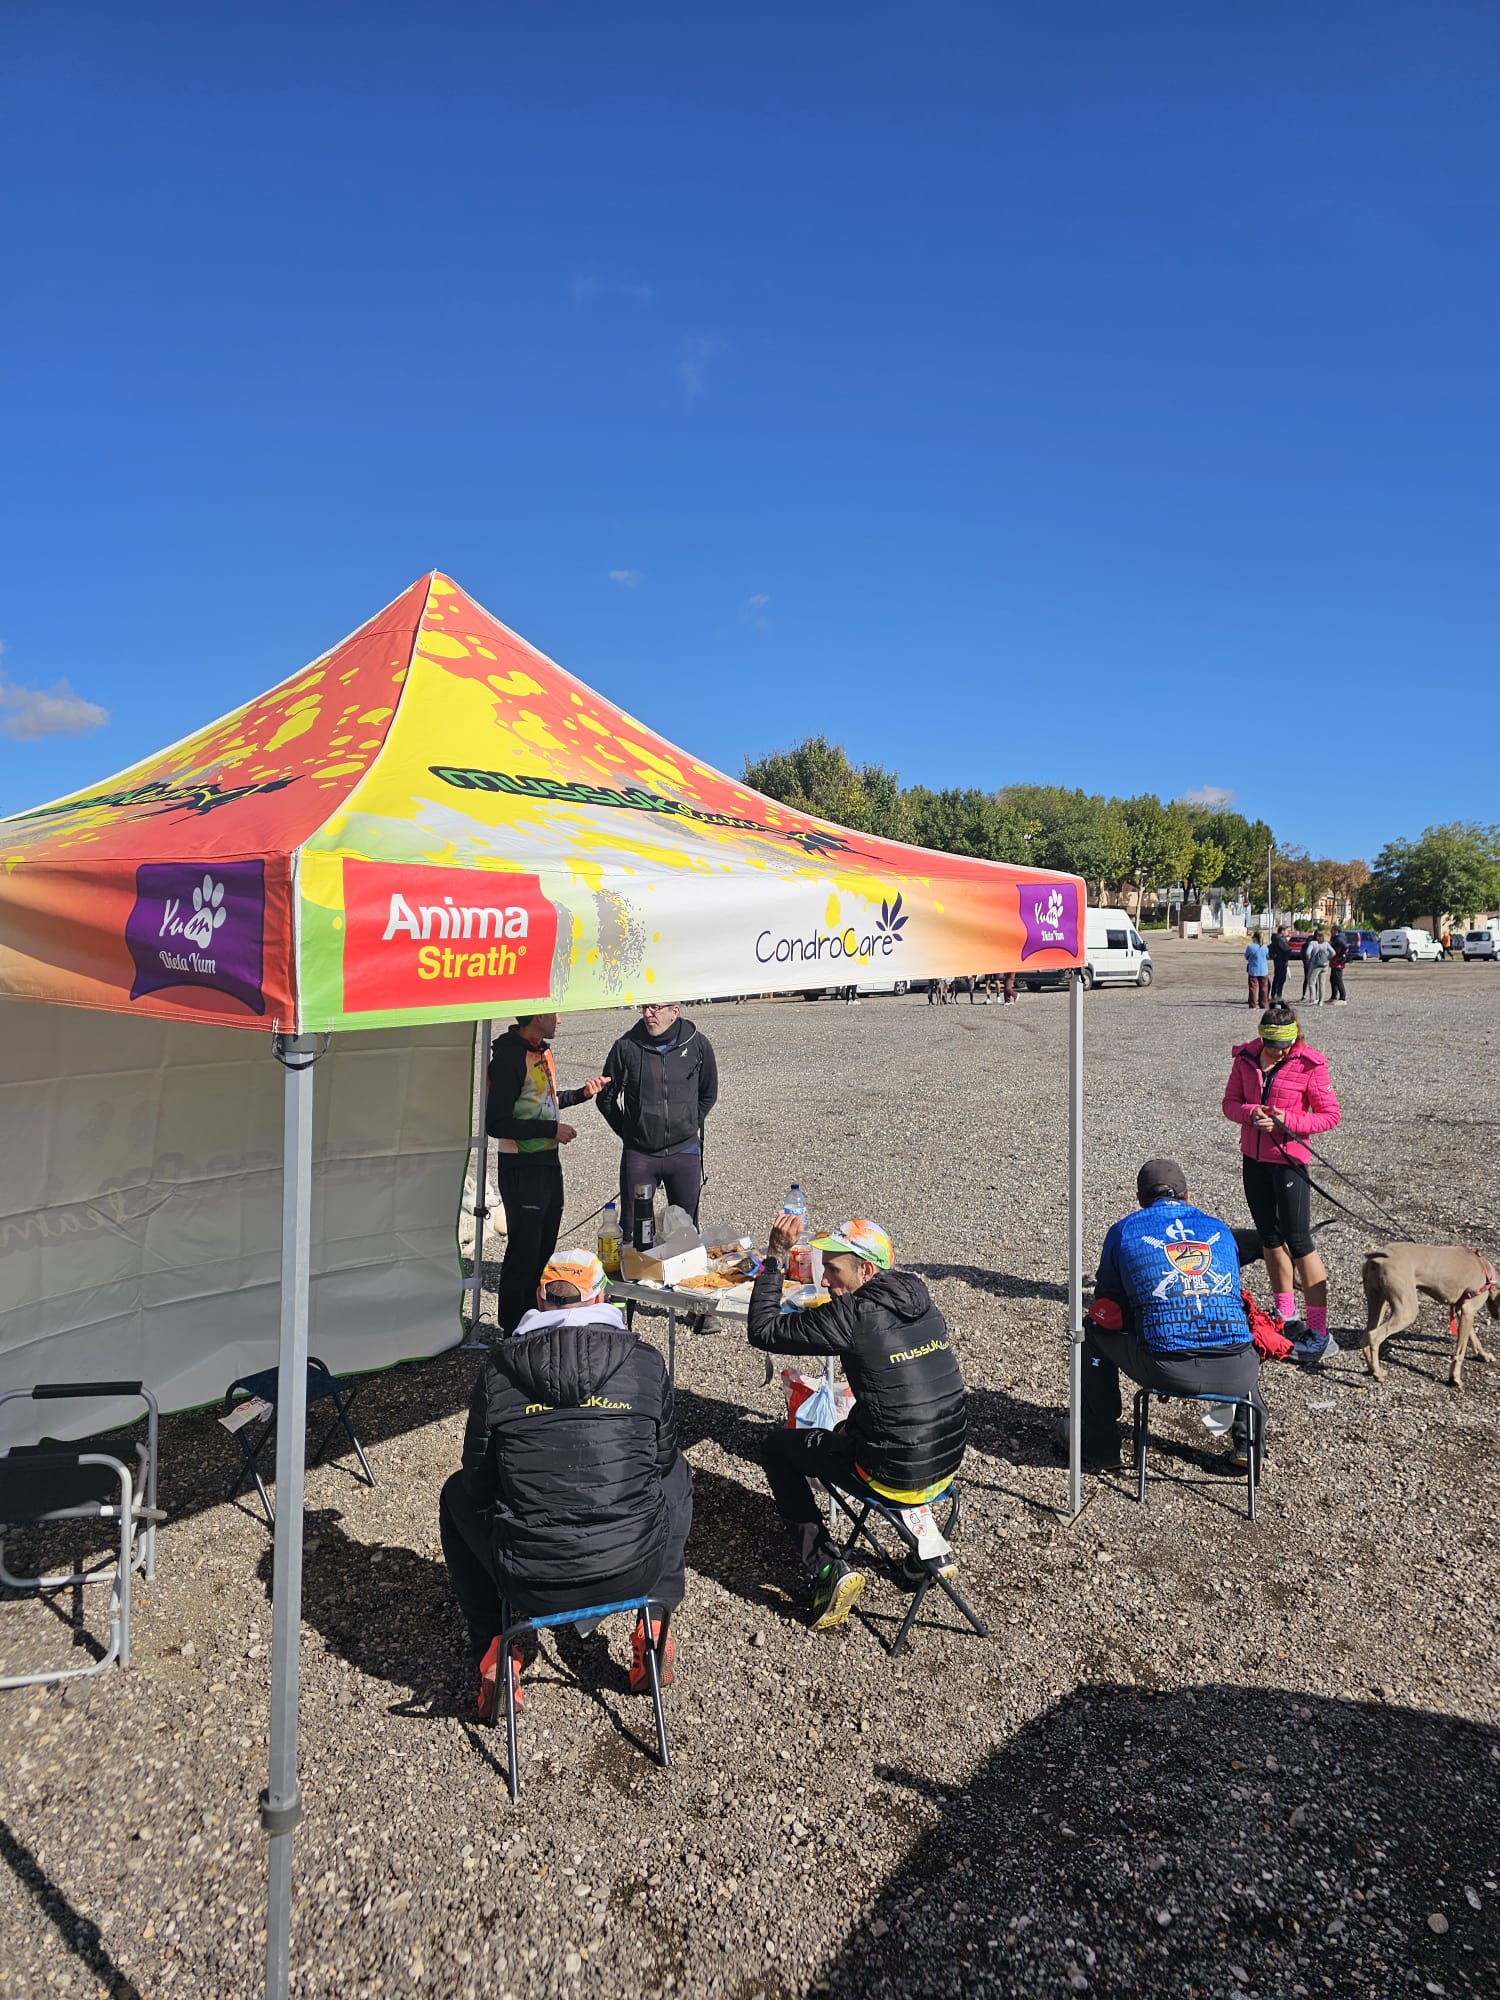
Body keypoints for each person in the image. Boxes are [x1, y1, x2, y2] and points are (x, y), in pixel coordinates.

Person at [439, 1250, 693, 1719]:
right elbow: (661, 1461)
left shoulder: (499, 1370)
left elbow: (477, 1482)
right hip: (636, 1568)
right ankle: (655, 1624)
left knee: (455, 1495)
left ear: (541, 1297)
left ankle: (496, 1651)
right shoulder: (645, 1362)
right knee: (677, 1472)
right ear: (601, 1299)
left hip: (528, 1580)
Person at [745, 1213, 967, 1630]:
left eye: (833, 1269)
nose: (824, 1280)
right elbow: (899, 1389)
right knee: (866, 1425)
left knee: (776, 1448)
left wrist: (775, 1256)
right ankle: (926, 1551)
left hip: (895, 1473)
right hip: (947, 1461)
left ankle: (828, 1567)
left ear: (866, 1270)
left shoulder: (852, 1314)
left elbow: (763, 1330)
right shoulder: (919, 1295)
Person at [1079, 1159, 1264, 1471]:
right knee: (1237, 1328)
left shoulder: (1125, 1231)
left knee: (1093, 1331)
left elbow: (1109, 1304)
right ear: (1187, 1196)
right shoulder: (1220, 1230)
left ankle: (1101, 1446)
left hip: (1165, 1368)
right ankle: (1249, 1444)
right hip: (1239, 1372)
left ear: (1140, 1199)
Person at [1221, 1002, 1341, 1361]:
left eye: (1284, 1046)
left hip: (1290, 1162)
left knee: (1299, 1241)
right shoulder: (1245, 1058)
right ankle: (1285, 1314)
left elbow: (1330, 1115)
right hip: (1254, 1159)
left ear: (1294, 1038)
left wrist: (1287, 1120)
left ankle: (1319, 1332)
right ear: (1262, 1038)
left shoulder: (1310, 1064)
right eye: (1271, 1046)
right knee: (1270, 1239)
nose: (1278, 1053)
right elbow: (1230, 1103)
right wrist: (1250, 1113)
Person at [487, 1015, 608, 1334]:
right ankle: (513, 1331)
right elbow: (496, 1123)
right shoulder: (509, 1057)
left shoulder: (541, 1051)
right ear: (539, 1016)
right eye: (555, 1014)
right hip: (521, 1166)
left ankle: (537, 1324)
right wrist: (550, 1130)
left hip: (547, 1163)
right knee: (524, 1253)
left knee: (543, 1251)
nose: (560, 1020)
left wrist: (581, 1094)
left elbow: (545, 1102)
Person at [596, 1001, 720, 1233]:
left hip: (684, 1151)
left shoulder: (697, 1044)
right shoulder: (625, 1046)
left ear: (674, 1012)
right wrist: (631, 1132)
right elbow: (605, 1099)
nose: (647, 1013)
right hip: (640, 1155)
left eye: (655, 1008)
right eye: (644, 1007)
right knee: (634, 1231)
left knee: (686, 1232)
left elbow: (708, 1092)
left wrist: (689, 1123)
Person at [1303, 928, 1331, 1005]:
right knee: (1322, 983)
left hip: (1315, 964)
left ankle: (1312, 999)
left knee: (1311, 981)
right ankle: (1321, 1001)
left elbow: (1307, 953)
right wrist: (1327, 958)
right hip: (1325, 965)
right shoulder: (1326, 944)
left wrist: (1310, 959)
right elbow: (1333, 952)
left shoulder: (1312, 943)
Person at [1244, 930, 1270, 1009]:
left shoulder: (1250, 947)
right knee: (1264, 988)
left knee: (1253, 988)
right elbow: (1267, 957)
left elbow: (1246, 956)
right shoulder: (1265, 947)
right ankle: (1263, 1004)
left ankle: (1253, 1004)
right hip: (1263, 970)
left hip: (1253, 970)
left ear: (1255, 938)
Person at [1268, 926, 1292, 1002]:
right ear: (1282, 931)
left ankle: (1274, 995)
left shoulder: (1276, 938)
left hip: (1277, 961)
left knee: (1277, 978)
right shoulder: (1280, 939)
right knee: (1281, 979)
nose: (1288, 932)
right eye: (1287, 931)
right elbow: (1286, 950)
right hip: (1281, 961)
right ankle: (1278, 996)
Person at [1328, 929, 1348, 1005]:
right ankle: (1334, 997)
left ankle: (1343, 998)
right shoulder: (1335, 938)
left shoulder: (1339, 938)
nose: (1331, 932)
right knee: (1332, 979)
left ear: (1336, 931)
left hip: (1338, 963)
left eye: (1332, 931)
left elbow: (1345, 946)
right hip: (1334, 962)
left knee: (1338, 980)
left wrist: (1342, 955)